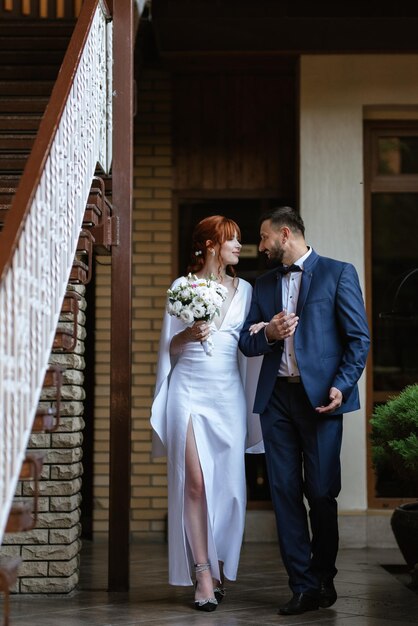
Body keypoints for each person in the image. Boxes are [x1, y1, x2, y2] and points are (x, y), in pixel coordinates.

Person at [239, 206, 370, 616]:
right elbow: (247, 342)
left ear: (284, 234)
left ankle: (323, 574)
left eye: (262, 238)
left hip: (320, 400)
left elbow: (358, 339)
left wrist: (341, 385)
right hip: (276, 398)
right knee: (284, 493)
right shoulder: (262, 285)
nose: (259, 247)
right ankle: (302, 585)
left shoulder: (338, 273)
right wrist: (269, 334)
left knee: (321, 491)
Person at [150, 215, 263, 612]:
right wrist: (186, 334)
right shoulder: (182, 287)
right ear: (212, 245)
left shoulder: (246, 290)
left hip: (228, 394)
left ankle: (218, 563)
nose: (240, 246)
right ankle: (201, 574)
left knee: (229, 488)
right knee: (194, 483)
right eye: (233, 240)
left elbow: (251, 342)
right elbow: (169, 347)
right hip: (189, 390)